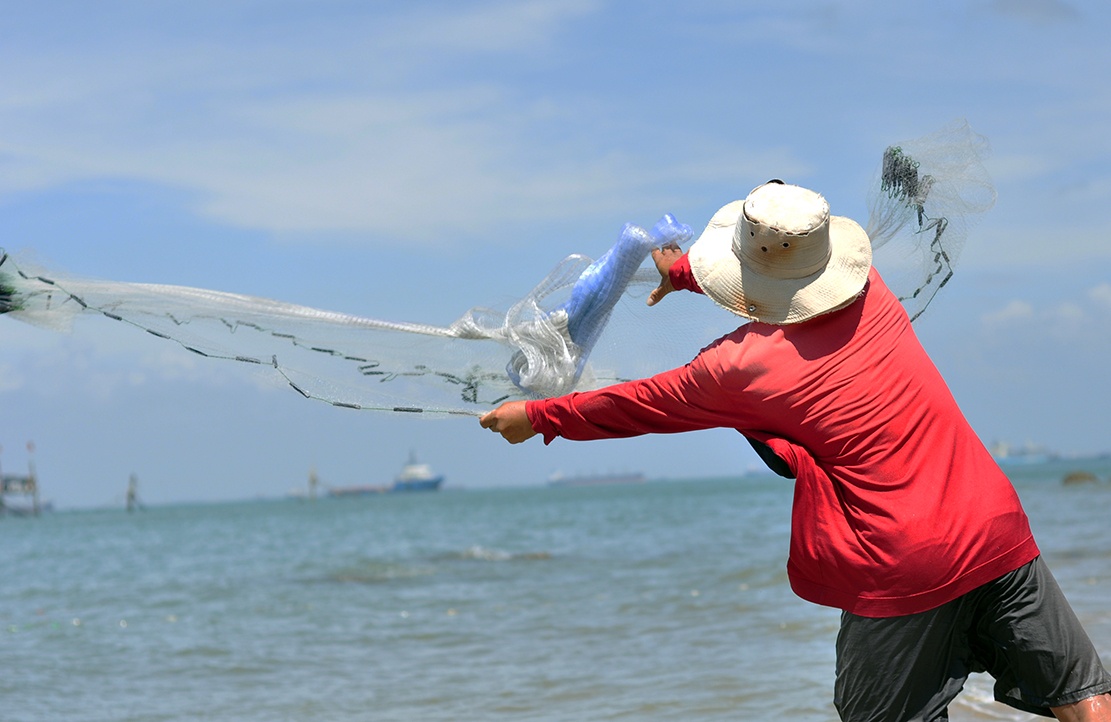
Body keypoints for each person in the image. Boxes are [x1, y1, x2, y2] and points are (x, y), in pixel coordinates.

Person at [480, 181, 1111, 721]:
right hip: (994, 525)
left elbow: (638, 405)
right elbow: (785, 274)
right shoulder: (875, 292)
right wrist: (679, 272)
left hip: (901, 561)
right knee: (1085, 700)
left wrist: (536, 416)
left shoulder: (737, 369)